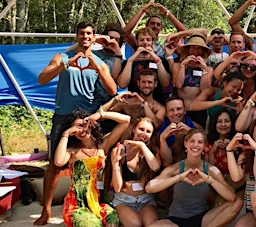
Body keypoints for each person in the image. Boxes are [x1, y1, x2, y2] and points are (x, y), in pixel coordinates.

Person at [35, 22, 117, 226]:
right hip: (63, 116)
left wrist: (97, 67)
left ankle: (98, 202)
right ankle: (45, 209)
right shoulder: (61, 57)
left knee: (97, 160)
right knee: (55, 164)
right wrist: (66, 64)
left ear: (94, 36)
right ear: (77, 36)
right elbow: (42, 79)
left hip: (87, 117)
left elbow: (113, 90)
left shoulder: (100, 61)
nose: (85, 37)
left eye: (89, 33)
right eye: (82, 33)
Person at [145, 129, 243, 227]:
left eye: (200, 142)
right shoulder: (175, 168)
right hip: (175, 219)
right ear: (185, 144)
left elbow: (232, 197)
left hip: (203, 218)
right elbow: (149, 187)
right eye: (192, 141)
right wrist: (178, 178)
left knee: (238, 202)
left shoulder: (210, 170)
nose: (195, 145)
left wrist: (209, 179)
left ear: (204, 146)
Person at [54, 109, 130, 226]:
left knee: (113, 218)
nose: (82, 130)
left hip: (99, 200)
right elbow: (58, 162)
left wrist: (100, 115)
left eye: (85, 125)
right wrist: (66, 134)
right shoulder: (72, 151)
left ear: (92, 125)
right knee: (91, 223)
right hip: (77, 204)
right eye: (77, 127)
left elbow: (126, 121)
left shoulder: (102, 145)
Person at [111, 117, 162, 226]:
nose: (144, 133)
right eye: (141, 129)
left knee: (151, 223)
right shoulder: (120, 150)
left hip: (145, 200)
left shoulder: (152, 151)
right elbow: (117, 187)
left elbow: (155, 167)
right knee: (135, 224)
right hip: (124, 200)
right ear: (134, 129)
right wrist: (116, 163)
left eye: (148, 131)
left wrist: (142, 146)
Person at [117, 27, 171, 105]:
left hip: (156, 103)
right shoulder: (128, 62)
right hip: (135, 103)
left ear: (152, 42)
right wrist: (130, 61)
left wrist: (157, 59)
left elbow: (165, 83)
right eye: (142, 40)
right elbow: (122, 84)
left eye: (148, 40)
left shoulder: (162, 61)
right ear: (137, 42)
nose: (145, 43)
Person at [171, 33, 213, 127]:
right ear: (188, 49)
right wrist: (183, 66)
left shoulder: (208, 69)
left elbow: (205, 89)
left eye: (199, 48)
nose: (196, 51)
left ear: (203, 51)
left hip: (198, 110)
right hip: (181, 109)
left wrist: (204, 69)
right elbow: (178, 84)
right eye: (193, 47)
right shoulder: (177, 65)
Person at [158, 97, 201, 167]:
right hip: (173, 169)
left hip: (194, 167)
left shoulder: (196, 127)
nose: (175, 113)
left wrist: (191, 133)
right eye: (171, 110)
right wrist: (162, 139)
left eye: (179, 109)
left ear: (184, 110)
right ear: (166, 113)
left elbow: (203, 155)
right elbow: (167, 164)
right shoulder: (163, 131)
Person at [206, 108, 237, 176]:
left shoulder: (239, 142)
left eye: (227, 121)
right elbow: (208, 172)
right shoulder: (207, 143)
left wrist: (232, 149)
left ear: (232, 123)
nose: (223, 124)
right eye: (219, 121)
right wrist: (212, 152)